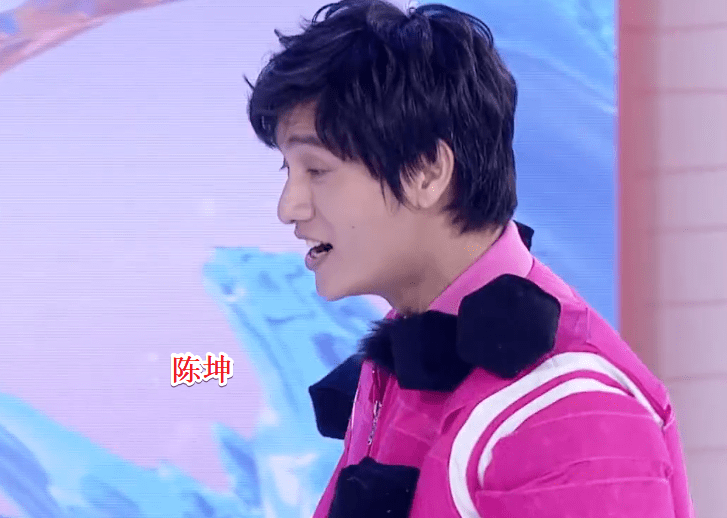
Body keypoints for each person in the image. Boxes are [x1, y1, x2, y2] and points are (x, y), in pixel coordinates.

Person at [244, 1, 695, 516]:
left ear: (426, 171)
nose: (289, 207)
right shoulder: (408, 347)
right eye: (289, 171)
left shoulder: (570, 415)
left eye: (317, 170)